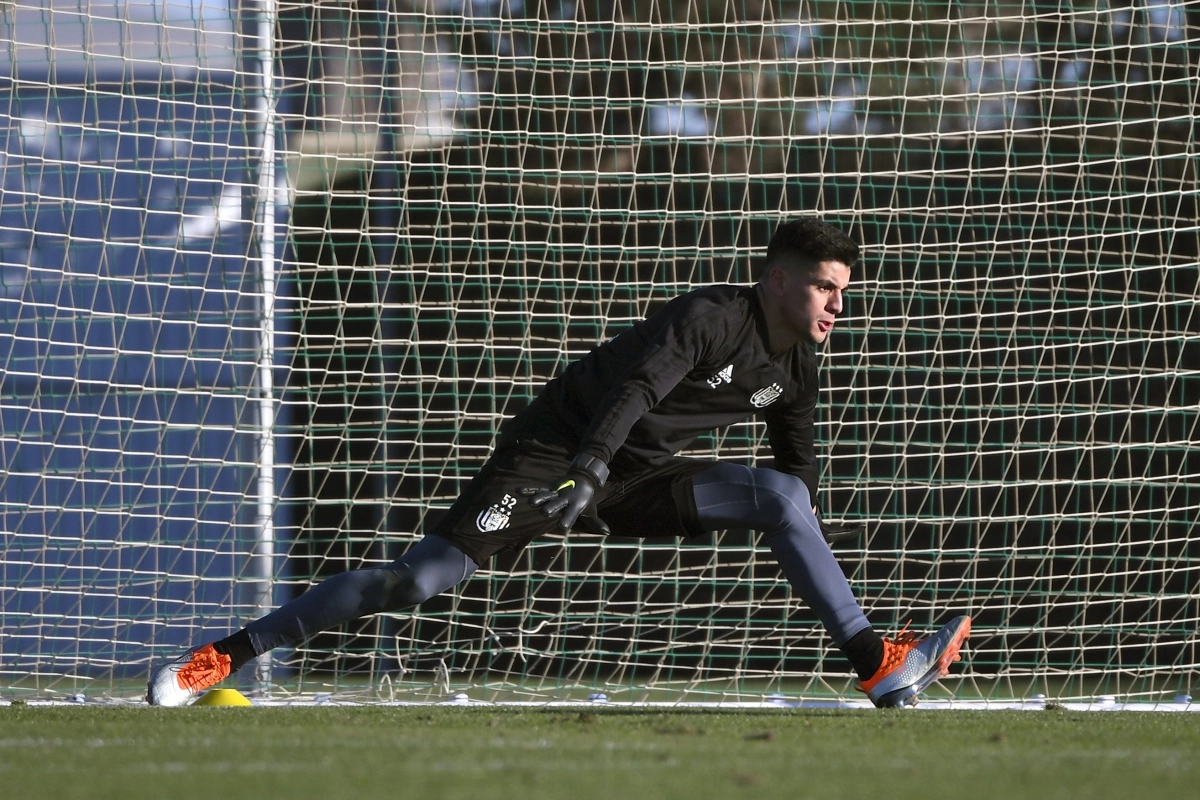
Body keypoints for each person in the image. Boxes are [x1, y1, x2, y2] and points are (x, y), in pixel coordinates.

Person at [147, 218, 970, 708]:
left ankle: (878, 666)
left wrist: (806, 539)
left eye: (843, 293)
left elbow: (798, 480)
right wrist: (587, 465)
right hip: (559, 456)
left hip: (640, 478)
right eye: (827, 288)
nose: (837, 306)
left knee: (785, 495)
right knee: (417, 581)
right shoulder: (712, 319)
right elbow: (637, 388)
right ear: (778, 280)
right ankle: (226, 655)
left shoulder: (797, 370)